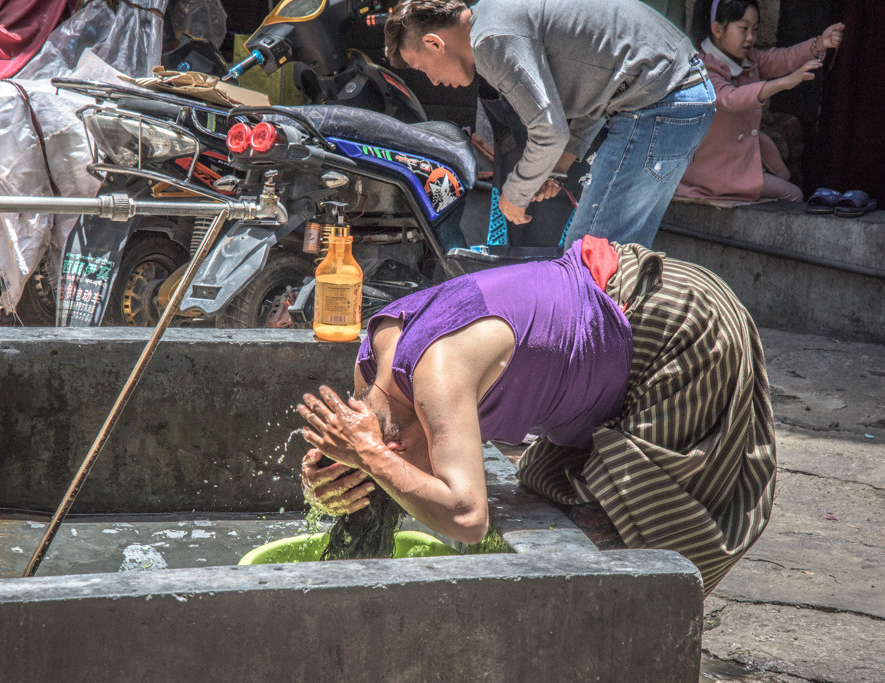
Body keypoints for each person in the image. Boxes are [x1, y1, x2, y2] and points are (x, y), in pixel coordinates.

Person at [297, 236, 776, 595]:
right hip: (612, 301)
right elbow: (363, 444)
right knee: (550, 478)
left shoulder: (438, 377)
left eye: (402, 464)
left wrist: (371, 459)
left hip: (676, 323)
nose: (423, 473)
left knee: (639, 520)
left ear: (396, 446)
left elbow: (468, 517)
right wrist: (333, 476)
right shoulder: (372, 369)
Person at [382, 0, 715, 250]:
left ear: (434, 44)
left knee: (588, 259)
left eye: (422, 68)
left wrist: (515, 193)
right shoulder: (495, 16)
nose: (434, 82)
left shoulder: (490, 40)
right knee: (613, 258)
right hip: (673, 93)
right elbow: (598, 94)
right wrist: (555, 169)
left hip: (661, 99)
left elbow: (549, 132)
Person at [676, 1, 845, 203]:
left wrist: (819, 44)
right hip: (713, 171)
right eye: (744, 28)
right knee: (793, 195)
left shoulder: (749, 59)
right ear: (717, 29)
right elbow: (730, 98)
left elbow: (783, 58)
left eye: (755, 30)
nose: (750, 37)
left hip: (737, 164)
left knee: (791, 191)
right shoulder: (703, 67)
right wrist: (785, 82)